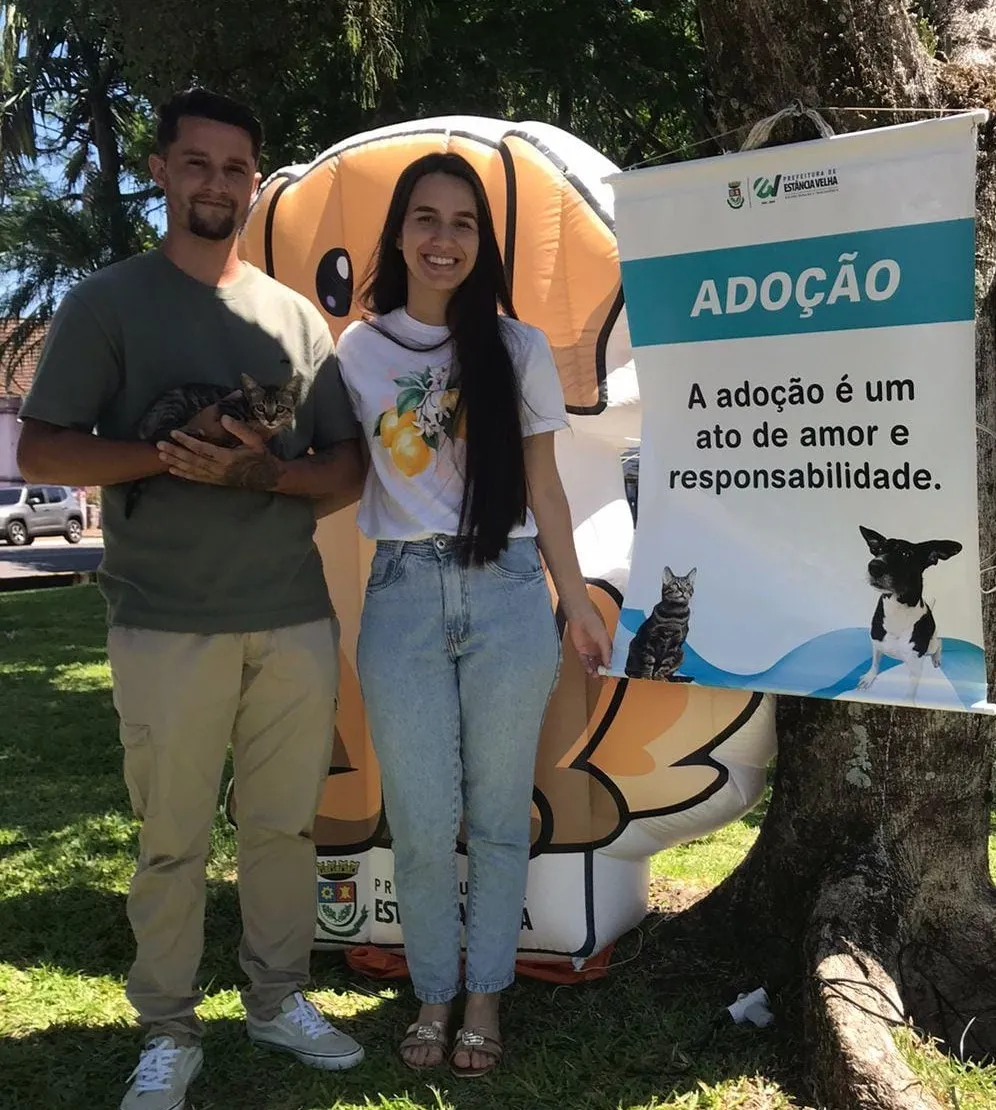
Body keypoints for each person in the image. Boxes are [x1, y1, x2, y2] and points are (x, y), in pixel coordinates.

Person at [17, 88, 367, 1110]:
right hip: (164, 618)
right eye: (198, 163)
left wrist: (263, 476)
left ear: (255, 182)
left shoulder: (295, 319)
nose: (217, 183)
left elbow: (346, 467)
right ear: (161, 171)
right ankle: (168, 1030)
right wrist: (174, 455)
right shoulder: (108, 304)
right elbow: (43, 451)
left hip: (291, 614)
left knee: (282, 830)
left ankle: (277, 1000)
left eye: (235, 168)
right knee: (170, 839)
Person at [323, 151, 612, 1076]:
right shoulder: (358, 351)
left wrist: (577, 602)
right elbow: (332, 467)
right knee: (418, 819)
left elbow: (546, 489)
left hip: (508, 588)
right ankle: (432, 995)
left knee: (494, 816)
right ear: (398, 233)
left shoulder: (516, 347)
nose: (443, 239)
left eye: (463, 223)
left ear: (482, 241)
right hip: (402, 595)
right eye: (426, 219)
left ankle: (483, 995)